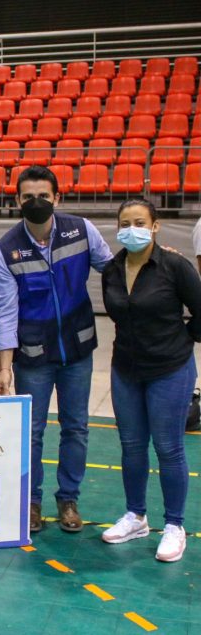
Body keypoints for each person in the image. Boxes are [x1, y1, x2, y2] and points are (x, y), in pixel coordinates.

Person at [0, 165, 113, 534]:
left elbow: (114, 270)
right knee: (32, 432)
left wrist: (155, 258)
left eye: (43, 195)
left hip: (78, 351)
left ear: (57, 197)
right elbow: (5, 313)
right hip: (33, 358)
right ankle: (31, 501)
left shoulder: (82, 230)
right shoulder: (5, 249)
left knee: (76, 427)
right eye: (28, 197)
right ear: (17, 200)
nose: (36, 202)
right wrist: (5, 367)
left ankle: (68, 499)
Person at [100, 199, 201, 563]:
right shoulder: (112, 269)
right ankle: (136, 516)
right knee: (131, 446)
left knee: (169, 448)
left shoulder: (175, 266)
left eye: (140, 222)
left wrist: (182, 340)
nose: (132, 229)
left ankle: (174, 525)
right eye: (125, 223)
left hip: (170, 369)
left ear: (155, 226)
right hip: (126, 369)